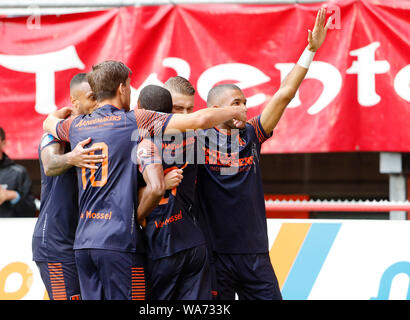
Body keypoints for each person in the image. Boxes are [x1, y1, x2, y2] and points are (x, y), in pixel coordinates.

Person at [42, 60, 247, 300]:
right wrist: (234, 111)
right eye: (129, 85)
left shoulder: (75, 125)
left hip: (84, 243)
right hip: (119, 240)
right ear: (122, 89)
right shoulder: (134, 120)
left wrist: (58, 115)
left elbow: (48, 124)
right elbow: (198, 121)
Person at [195, 8, 332, 300]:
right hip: (215, 255)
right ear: (215, 109)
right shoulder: (196, 142)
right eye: (236, 103)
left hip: (255, 255)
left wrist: (310, 50)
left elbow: (284, 94)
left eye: (245, 102)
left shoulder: (252, 134)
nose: (244, 108)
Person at [32, 73, 106, 300]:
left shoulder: (101, 131)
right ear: (75, 102)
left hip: (87, 242)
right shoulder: (55, 133)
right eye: (93, 98)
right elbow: (50, 164)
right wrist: (72, 158)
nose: (98, 104)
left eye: (100, 97)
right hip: (55, 243)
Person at [136, 84, 211, 300]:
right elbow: (120, 194)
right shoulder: (135, 139)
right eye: (178, 109)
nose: (186, 116)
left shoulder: (198, 139)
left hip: (191, 242)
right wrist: (158, 185)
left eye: (191, 109)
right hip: (155, 246)